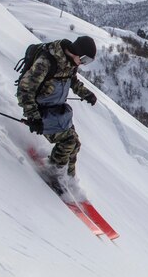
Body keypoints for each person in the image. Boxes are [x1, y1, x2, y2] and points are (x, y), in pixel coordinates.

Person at [16, 36, 97, 187]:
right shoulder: (47, 62)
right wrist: (34, 117)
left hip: (56, 109)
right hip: (40, 111)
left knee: (75, 144)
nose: (84, 64)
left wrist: (87, 94)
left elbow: (72, 80)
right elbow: (24, 89)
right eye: (85, 60)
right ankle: (54, 174)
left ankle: (69, 179)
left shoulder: (70, 62)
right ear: (78, 52)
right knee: (68, 141)